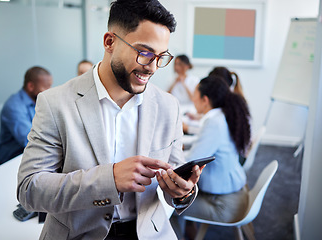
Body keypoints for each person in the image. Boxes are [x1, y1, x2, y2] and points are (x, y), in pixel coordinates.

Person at [17, 1, 204, 240]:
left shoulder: (168, 106)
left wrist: (183, 192)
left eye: (161, 56)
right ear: (109, 42)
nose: (153, 68)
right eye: (145, 53)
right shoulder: (55, 103)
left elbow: (175, 179)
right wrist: (110, 179)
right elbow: (29, 189)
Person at [173, 76, 251, 239]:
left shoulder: (214, 122)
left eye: (194, 94)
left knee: (169, 205)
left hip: (224, 205)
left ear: (205, 100)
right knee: (181, 192)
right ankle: (189, 230)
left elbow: (191, 160)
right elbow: (203, 147)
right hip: (234, 194)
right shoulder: (223, 115)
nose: (192, 99)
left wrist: (168, 157)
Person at [0, 66, 52, 166]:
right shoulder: (13, 106)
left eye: (50, 86)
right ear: (30, 86)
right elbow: (30, 140)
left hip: (30, 154)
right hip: (11, 161)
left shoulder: (37, 101)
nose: (49, 91)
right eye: (45, 87)